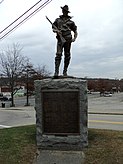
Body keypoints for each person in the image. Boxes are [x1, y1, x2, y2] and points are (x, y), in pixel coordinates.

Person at [52, 5, 78, 77]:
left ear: (67, 12)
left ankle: (65, 72)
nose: (64, 12)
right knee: (58, 54)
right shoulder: (57, 20)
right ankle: (56, 72)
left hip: (68, 39)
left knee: (67, 55)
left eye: (66, 11)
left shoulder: (71, 22)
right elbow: (53, 28)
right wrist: (57, 31)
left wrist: (74, 38)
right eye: (63, 10)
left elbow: (75, 31)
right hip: (60, 39)